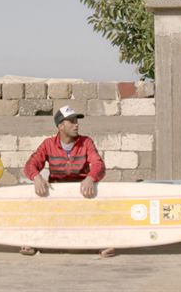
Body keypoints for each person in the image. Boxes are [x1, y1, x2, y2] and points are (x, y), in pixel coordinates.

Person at [21, 106, 113, 258]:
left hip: (82, 193)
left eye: (76, 121)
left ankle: (104, 244)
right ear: (60, 126)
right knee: (37, 203)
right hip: (57, 194)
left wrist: (90, 178)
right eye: (71, 121)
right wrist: (36, 177)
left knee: (100, 207)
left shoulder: (86, 142)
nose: (76, 124)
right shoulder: (48, 144)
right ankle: (31, 242)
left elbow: (99, 165)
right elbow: (30, 164)